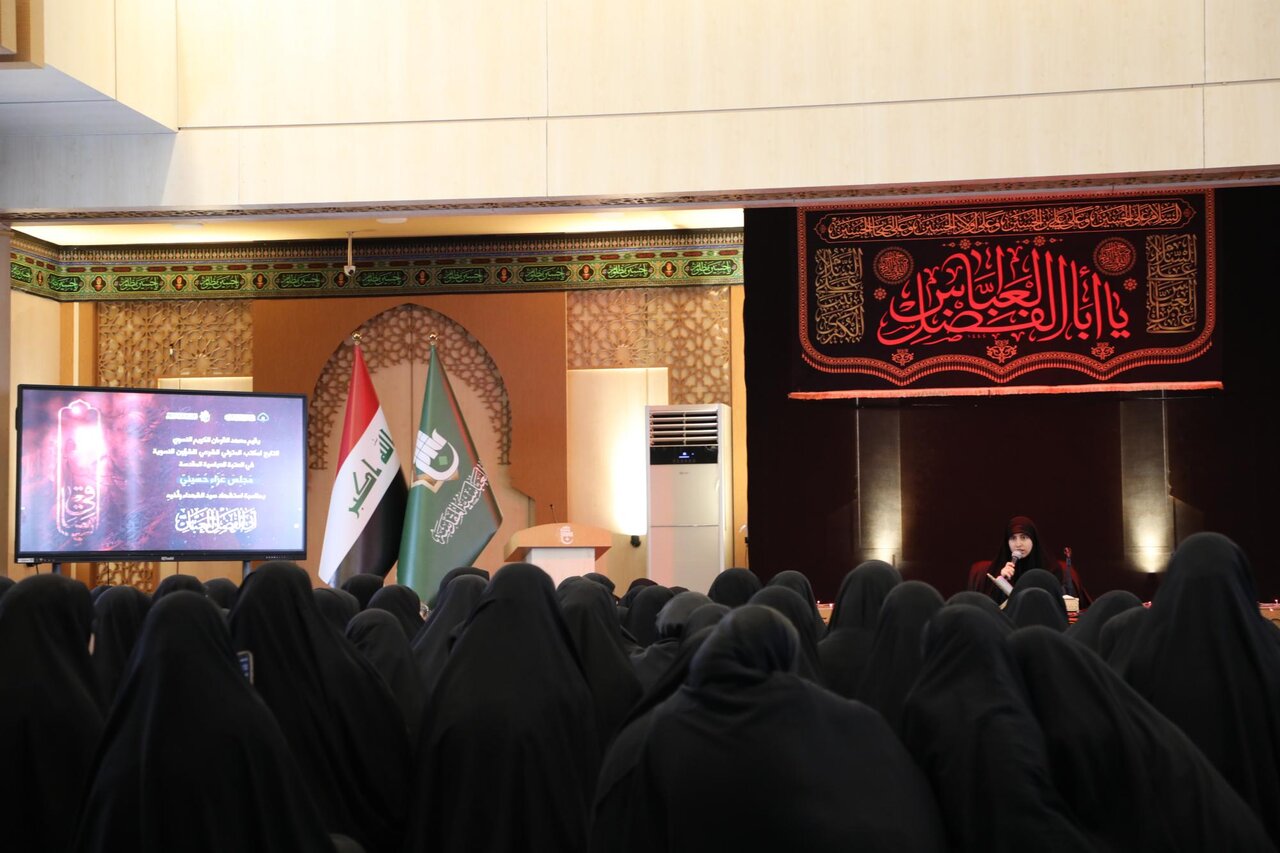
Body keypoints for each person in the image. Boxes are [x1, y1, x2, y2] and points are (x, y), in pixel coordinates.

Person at [975, 515, 1083, 605]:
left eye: (1024, 537)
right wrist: (1003, 581)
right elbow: (989, 608)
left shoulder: (1051, 569)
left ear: (1033, 539)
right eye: (1013, 538)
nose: (1018, 544)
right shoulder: (999, 568)